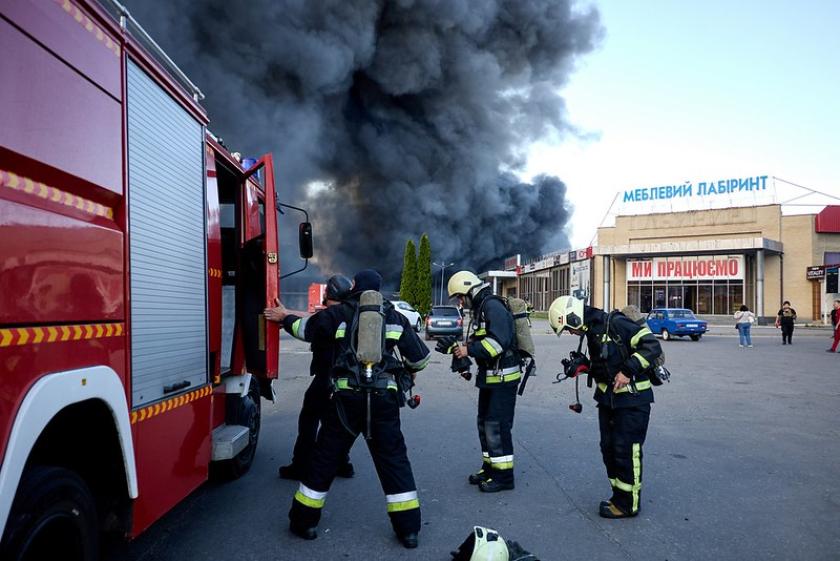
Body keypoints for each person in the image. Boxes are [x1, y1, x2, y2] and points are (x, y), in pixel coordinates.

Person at [270, 269, 431, 548]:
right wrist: (406, 370)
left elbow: (304, 330)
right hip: (383, 400)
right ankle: (409, 531)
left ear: (354, 286)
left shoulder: (338, 313)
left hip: (346, 400)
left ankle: (304, 522)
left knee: (324, 458)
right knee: (394, 461)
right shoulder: (394, 316)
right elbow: (420, 359)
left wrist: (285, 317)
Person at [548, 296, 662, 519]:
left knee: (626, 451)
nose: (570, 333)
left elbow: (652, 346)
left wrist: (628, 370)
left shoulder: (616, 323)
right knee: (609, 449)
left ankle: (628, 504)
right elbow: (608, 365)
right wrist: (586, 367)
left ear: (574, 317)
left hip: (632, 401)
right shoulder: (593, 331)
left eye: (568, 328)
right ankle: (618, 496)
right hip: (608, 400)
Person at [265, 275, 355, 480]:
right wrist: (287, 313)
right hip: (348, 379)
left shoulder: (329, 317)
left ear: (327, 293)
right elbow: (312, 317)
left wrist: (285, 319)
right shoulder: (351, 313)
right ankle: (342, 463)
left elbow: (305, 328)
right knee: (337, 423)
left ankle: (301, 466)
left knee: (309, 420)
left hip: (327, 378)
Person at [448, 271, 520, 493]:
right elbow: (482, 338)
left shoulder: (492, 307)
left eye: (460, 297)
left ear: (469, 291)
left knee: (497, 427)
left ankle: (504, 477)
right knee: (485, 425)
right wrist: (462, 349)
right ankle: (490, 469)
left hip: (503, 378)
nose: (460, 302)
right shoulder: (482, 308)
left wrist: (468, 350)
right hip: (490, 377)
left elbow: (497, 344)